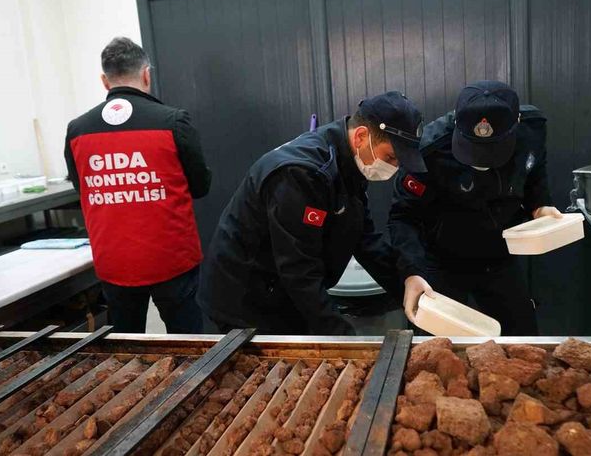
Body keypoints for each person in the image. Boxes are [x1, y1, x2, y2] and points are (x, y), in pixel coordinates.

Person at [199, 92, 435, 335]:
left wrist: (408, 278)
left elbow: (364, 239)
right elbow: (299, 270)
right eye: (391, 157)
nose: (394, 168)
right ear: (361, 137)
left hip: (283, 286)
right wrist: (344, 338)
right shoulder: (301, 175)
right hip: (245, 296)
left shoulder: (351, 164)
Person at [388, 81, 562, 336]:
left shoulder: (532, 131)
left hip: (499, 255)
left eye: (491, 152)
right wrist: (411, 272)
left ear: (516, 125)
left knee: (522, 341)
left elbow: (534, 172)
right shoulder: (428, 152)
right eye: (473, 150)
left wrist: (541, 206)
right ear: (458, 126)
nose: (481, 162)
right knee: (434, 352)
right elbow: (403, 216)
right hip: (440, 259)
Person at [64, 37, 212, 333]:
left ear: (105, 81)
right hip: (171, 258)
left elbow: (83, 190)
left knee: (126, 347)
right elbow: (200, 186)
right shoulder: (173, 122)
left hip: (114, 260)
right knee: (189, 344)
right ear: (146, 74)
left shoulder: (77, 129)